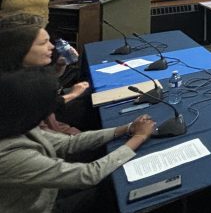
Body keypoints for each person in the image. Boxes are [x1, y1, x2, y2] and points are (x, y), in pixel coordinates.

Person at [0, 67, 157, 213]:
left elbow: (69, 142)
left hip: (45, 190)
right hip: (44, 207)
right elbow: (88, 175)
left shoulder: (18, 124)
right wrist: (138, 138)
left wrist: (127, 128)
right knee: (118, 192)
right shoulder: (10, 155)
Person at [0, 13, 92, 133]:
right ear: (20, 48)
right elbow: (49, 134)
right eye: (43, 43)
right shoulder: (12, 87)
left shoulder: (28, 71)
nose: (52, 46)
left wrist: (60, 65)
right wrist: (72, 95)